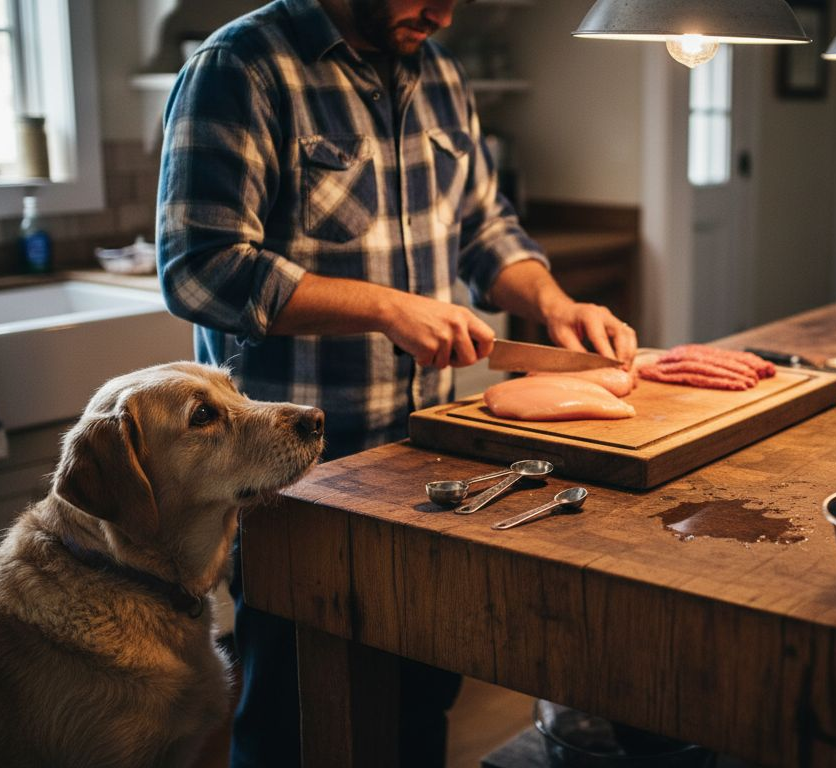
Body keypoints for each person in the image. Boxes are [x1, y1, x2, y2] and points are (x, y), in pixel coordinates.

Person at [155, 0, 637, 765]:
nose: (444, 16)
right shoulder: (242, 66)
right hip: (301, 475)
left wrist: (554, 302)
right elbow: (200, 270)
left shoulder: (440, 72)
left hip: (428, 463)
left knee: (419, 700)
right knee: (294, 713)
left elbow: (483, 226)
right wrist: (386, 308)